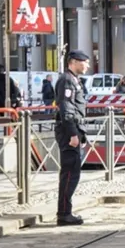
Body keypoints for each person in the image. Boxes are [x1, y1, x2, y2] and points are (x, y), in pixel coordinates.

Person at [54, 50, 90, 226]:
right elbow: (67, 109)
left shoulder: (74, 80)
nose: (87, 65)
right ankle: (64, 213)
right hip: (69, 131)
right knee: (69, 173)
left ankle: (65, 211)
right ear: (74, 62)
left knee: (72, 172)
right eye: (85, 62)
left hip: (74, 129)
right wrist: (73, 134)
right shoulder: (67, 80)